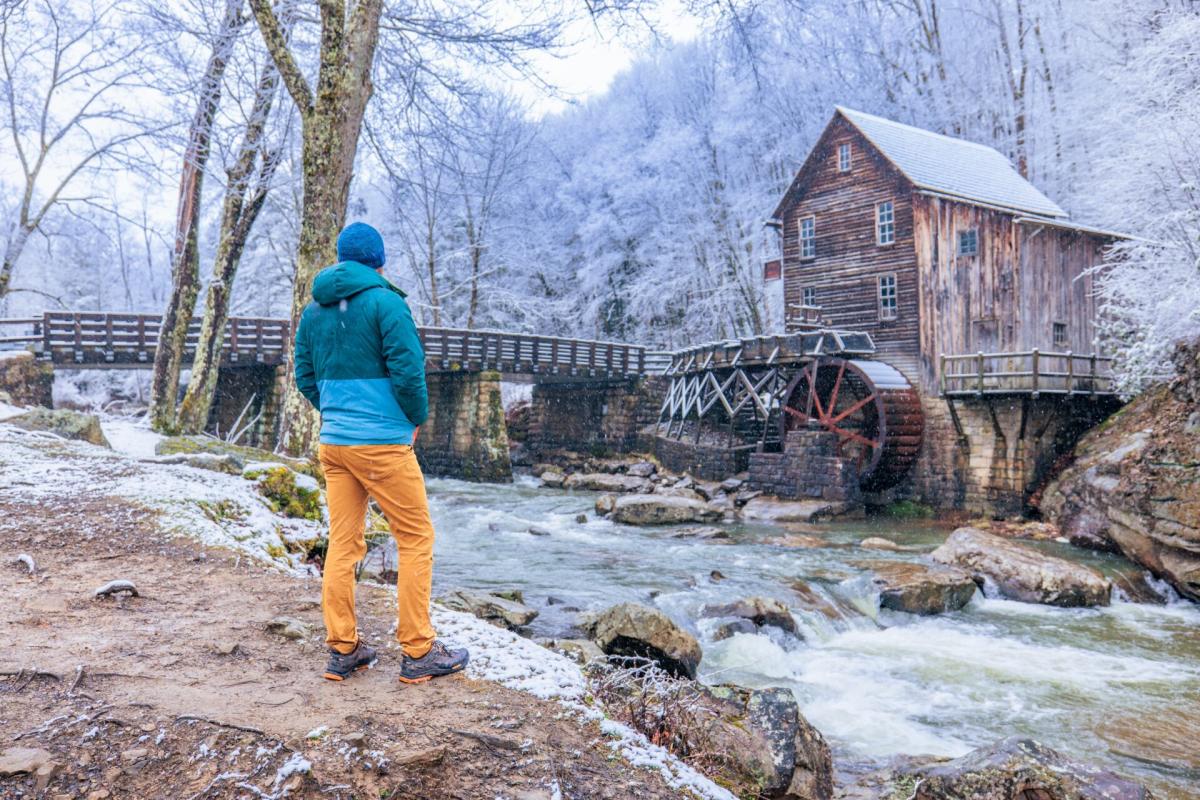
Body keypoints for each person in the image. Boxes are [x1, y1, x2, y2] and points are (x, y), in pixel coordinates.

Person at [293, 221, 469, 684]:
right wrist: (413, 420)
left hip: (335, 445)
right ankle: (418, 651)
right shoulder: (387, 303)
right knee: (416, 539)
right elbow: (409, 372)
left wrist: (336, 413)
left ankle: (343, 649)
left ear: (340, 259)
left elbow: (304, 378)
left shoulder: (313, 312)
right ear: (379, 261)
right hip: (383, 445)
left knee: (343, 544)